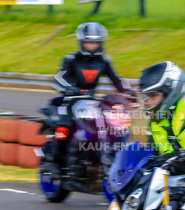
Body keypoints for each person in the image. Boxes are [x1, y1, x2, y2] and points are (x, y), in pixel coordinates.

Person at [42, 22, 132, 169]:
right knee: (64, 128)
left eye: (95, 42)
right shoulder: (71, 59)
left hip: (91, 103)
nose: (92, 46)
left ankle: (104, 157)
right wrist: (70, 89)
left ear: (101, 43)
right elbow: (59, 78)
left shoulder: (104, 61)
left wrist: (128, 92)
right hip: (71, 100)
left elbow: (117, 79)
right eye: (89, 42)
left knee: (112, 125)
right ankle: (53, 161)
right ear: (82, 42)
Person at [139, 61, 185, 173]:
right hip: (177, 182)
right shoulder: (155, 123)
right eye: (146, 96)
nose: (148, 101)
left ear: (170, 91)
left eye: (153, 95)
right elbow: (149, 155)